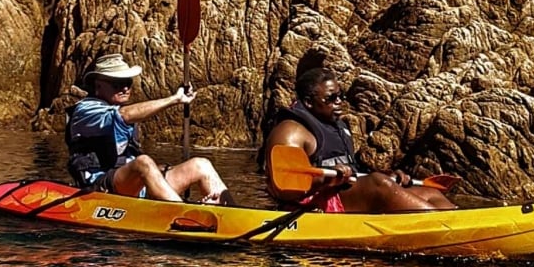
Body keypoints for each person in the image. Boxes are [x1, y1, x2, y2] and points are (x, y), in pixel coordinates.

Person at [262, 66, 455, 213]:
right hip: (314, 204)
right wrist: (325, 179)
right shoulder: (291, 132)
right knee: (379, 183)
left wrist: (389, 175)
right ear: (309, 102)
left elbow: (355, 170)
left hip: (343, 192)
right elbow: (284, 190)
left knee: (430, 193)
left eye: (340, 96)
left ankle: (456, 222)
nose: (339, 102)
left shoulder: (339, 127)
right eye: (331, 98)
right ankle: (440, 227)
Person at [66, 52, 235, 204]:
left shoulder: (120, 107)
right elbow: (123, 115)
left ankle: (231, 213)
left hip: (135, 186)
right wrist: (175, 99)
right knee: (143, 162)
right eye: (116, 84)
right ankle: (182, 212)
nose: (125, 88)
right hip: (100, 185)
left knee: (201, 165)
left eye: (127, 82)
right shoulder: (85, 110)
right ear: (98, 85)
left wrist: (157, 171)